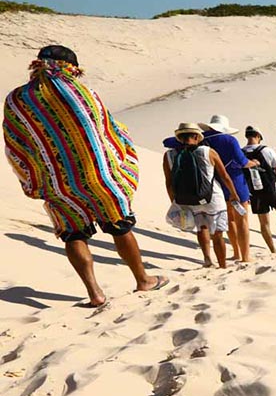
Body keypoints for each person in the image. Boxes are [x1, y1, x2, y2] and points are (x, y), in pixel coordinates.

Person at [4, 45, 166, 305]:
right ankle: (143, 280)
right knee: (119, 225)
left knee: (73, 233)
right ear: (71, 67)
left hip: (56, 183)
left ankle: (95, 293)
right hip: (98, 175)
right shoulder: (82, 93)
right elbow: (107, 130)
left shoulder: (16, 100)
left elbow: (15, 143)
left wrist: (33, 178)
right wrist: (120, 154)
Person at [163, 123, 240, 269]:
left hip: (189, 199)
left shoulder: (169, 155)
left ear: (179, 138)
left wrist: (175, 202)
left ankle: (207, 259)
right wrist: (233, 194)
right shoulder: (208, 151)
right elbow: (224, 176)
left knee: (202, 227)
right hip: (213, 198)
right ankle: (222, 265)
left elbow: (169, 183)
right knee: (217, 234)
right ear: (197, 136)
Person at [195, 115, 252, 263]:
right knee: (242, 221)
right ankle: (246, 256)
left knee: (230, 220)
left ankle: (236, 253)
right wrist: (254, 163)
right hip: (236, 183)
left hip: (216, 184)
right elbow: (242, 161)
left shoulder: (201, 140)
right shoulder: (229, 140)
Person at [241, 126, 276, 252]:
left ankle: (273, 249)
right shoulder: (267, 150)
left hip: (255, 192)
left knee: (264, 223)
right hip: (273, 188)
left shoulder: (241, 153)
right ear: (258, 136)